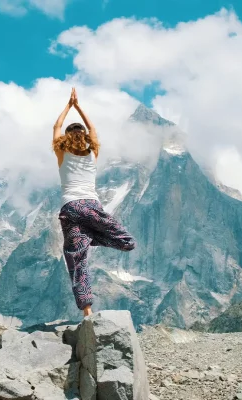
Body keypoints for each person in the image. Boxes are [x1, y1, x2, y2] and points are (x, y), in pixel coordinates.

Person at [53, 87, 136, 317]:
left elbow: (56, 128)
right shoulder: (92, 153)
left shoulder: (62, 154)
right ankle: (91, 238)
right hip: (91, 206)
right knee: (127, 242)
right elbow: (93, 129)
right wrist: (78, 107)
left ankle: (86, 310)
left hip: (70, 209)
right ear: (84, 137)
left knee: (77, 261)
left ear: (67, 138)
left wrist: (68, 107)